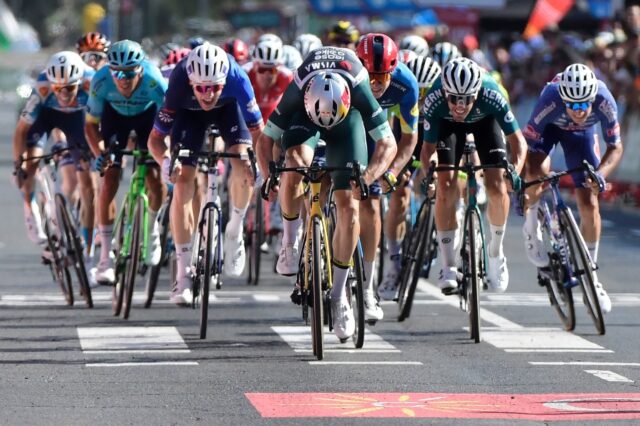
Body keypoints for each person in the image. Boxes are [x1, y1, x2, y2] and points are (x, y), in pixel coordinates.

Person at [256, 46, 397, 340]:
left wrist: (368, 177)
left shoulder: (359, 85)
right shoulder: (298, 87)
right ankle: (290, 241)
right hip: (304, 120)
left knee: (349, 205)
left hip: (348, 123)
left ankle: (338, 296)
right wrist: (269, 178)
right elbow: (265, 141)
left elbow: (388, 145)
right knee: (294, 164)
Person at [148, 42, 263, 305]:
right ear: (191, 82)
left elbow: (259, 134)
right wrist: (165, 161)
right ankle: (183, 272)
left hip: (229, 112)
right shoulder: (178, 79)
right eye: (200, 88)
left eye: (214, 88)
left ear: (224, 81)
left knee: (243, 161)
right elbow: (155, 139)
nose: (208, 95)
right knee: (182, 179)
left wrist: (259, 165)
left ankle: (234, 229)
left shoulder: (238, 78)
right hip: (189, 117)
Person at [521, 63, 622, 314]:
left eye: (583, 105)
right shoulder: (550, 98)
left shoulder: (604, 100)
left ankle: (592, 277)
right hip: (550, 130)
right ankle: (532, 226)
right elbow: (527, 145)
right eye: (573, 105)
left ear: (592, 99)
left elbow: (615, 146)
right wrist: (526, 179)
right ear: (563, 98)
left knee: (589, 202)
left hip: (582, 136)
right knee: (535, 171)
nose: (578, 111)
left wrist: (600, 175)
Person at [420, 57, 527, 293]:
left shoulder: (492, 94)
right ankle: (448, 266)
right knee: (445, 185)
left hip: (485, 122)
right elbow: (427, 150)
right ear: (445, 92)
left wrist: (514, 172)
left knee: (497, 187)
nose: (459, 106)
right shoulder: (434, 99)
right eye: (454, 99)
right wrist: (429, 175)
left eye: (466, 99)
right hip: (448, 128)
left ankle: (495, 252)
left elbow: (519, 143)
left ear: (476, 93)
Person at [86, 40, 167, 285]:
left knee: (155, 179)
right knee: (109, 178)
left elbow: (171, 123)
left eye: (129, 72)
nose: (123, 78)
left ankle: (151, 228)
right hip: (115, 120)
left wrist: (167, 155)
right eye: (117, 73)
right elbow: (90, 125)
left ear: (140, 69)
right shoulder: (100, 81)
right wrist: (100, 153)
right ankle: (104, 258)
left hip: (148, 119)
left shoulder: (156, 82)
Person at [354, 34, 420, 322]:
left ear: (393, 70)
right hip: (347, 124)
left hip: (380, 133)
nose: (377, 83)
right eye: (370, 75)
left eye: (382, 76)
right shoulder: (348, 76)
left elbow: (409, 139)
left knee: (370, 201)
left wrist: (391, 174)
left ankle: (368, 289)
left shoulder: (407, 85)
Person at [12, 51, 96, 274]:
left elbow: (102, 121)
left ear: (80, 82)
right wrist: (18, 163)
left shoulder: (92, 82)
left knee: (87, 182)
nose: (64, 93)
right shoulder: (42, 87)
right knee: (30, 163)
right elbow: (21, 131)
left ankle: (87, 252)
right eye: (58, 88)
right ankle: (30, 209)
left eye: (70, 87)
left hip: (78, 119)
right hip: (47, 117)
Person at [378, 55, 441, 300]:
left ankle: (436, 230)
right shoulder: (403, 95)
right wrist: (396, 169)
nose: (423, 97)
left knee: (445, 180)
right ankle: (393, 265)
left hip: (433, 140)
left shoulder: (442, 102)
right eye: (420, 90)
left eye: (428, 91)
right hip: (406, 139)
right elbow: (396, 138)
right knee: (399, 194)